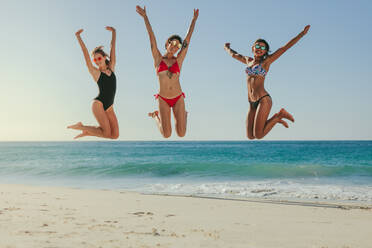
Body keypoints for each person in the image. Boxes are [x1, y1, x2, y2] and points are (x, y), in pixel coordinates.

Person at [224, 25, 310, 139]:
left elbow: (284, 48)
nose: (260, 48)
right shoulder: (248, 61)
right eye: (258, 46)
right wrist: (226, 48)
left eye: (263, 48)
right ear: (253, 48)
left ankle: (278, 116)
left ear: (265, 52)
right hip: (251, 103)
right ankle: (277, 118)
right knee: (250, 136)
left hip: (263, 99)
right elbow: (234, 55)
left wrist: (302, 34)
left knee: (258, 135)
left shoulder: (266, 62)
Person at [136, 5, 199, 138]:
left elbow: (188, 40)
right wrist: (145, 17)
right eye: (173, 43)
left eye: (178, 46)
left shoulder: (179, 60)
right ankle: (155, 116)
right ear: (167, 44)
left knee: (181, 134)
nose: (175, 47)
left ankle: (184, 115)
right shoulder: (158, 59)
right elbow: (151, 38)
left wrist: (193, 20)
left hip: (178, 98)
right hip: (163, 98)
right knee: (166, 134)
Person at [68, 27, 119, 139]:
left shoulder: (111, 67)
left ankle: (88, 132)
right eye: (95, 60)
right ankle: (82, 127)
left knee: (115, 135)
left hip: (110, 107)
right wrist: (78, 37)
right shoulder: (95, 72)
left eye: (99, 58)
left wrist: (114, 33)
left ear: (105, 57)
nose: (97, 61)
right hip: (98, 104)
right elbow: (85, 53)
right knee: (106, 133)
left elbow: (112, 48)